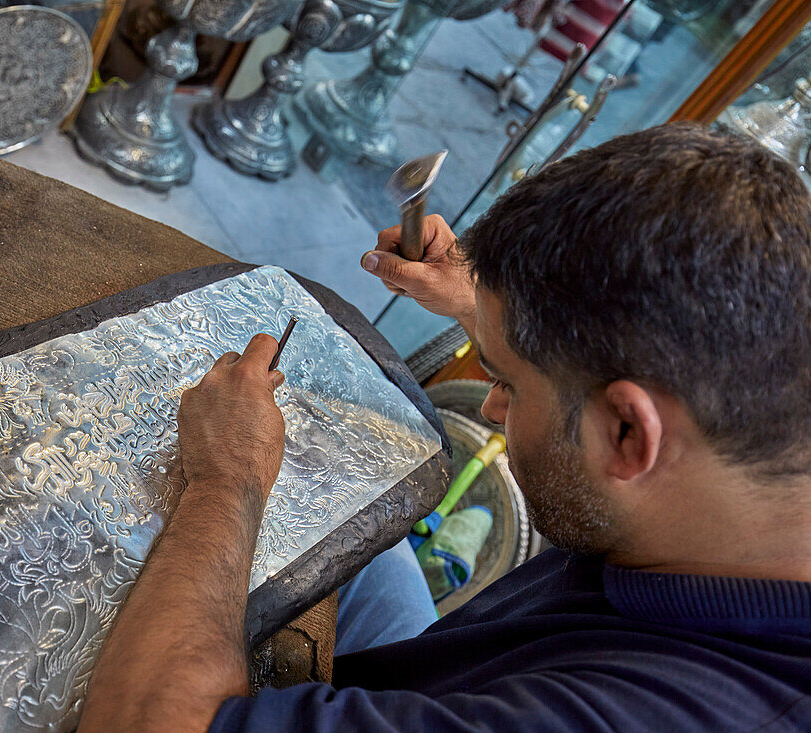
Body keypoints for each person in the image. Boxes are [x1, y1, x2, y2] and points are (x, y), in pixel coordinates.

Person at [76, 123, 811, 731]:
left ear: (628, 433)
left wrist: (225, 476)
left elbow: (143, 721)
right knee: (363, 535)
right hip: (451, 654)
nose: (490, 407)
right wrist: (488, 309)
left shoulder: (642, 713)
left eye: (505, 383)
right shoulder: (757, 458)